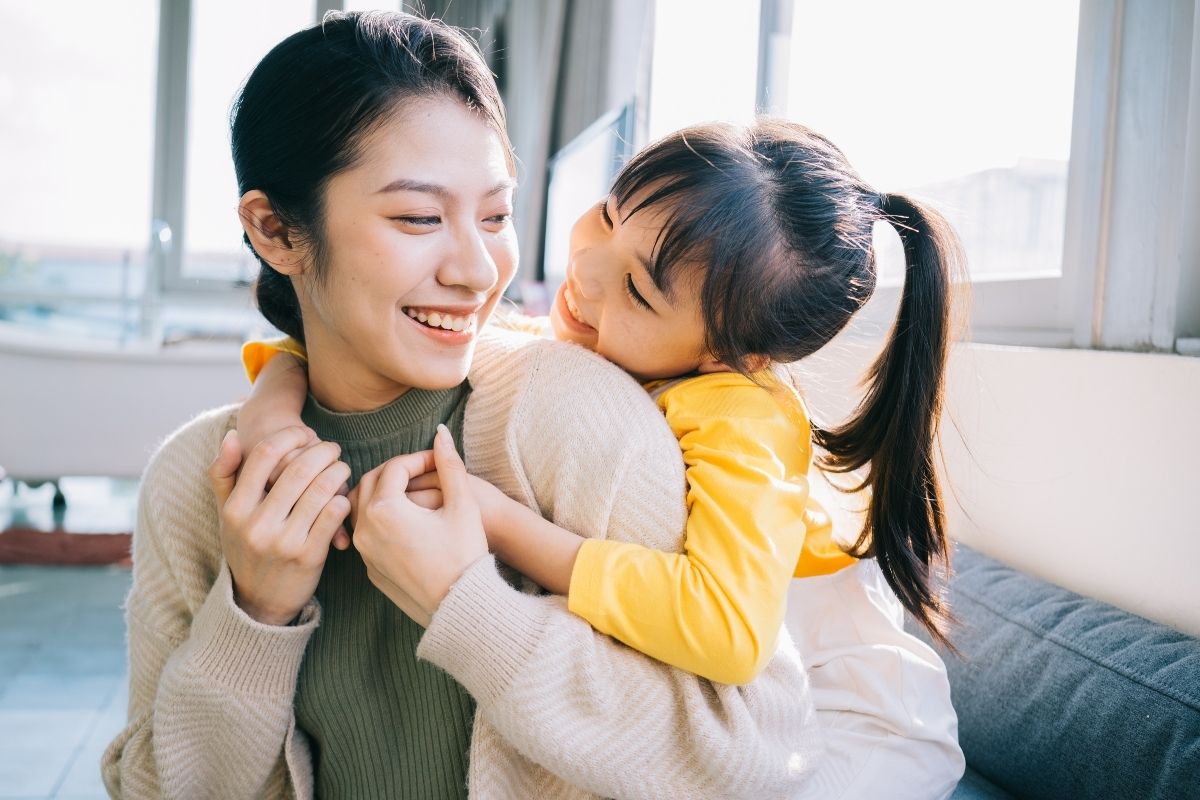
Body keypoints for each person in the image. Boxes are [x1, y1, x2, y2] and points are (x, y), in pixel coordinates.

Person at [100, 11, 824, 800]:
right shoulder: (196, 479)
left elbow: (758, 761)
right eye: (419, 217)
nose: (479, 272)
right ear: (276, 230)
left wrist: (470, 609)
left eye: (495, 216)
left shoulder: (581, 422)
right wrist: (253, 615)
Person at [240, 119, 966, 797]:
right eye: (611, 215)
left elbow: (725, 629)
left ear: (728, 357)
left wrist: (502, 524)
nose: (586, 269)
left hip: (856, 715)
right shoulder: (605, 340)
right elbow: (416, 344)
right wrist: (274, 395)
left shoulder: (744, 418)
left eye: (638, 290)